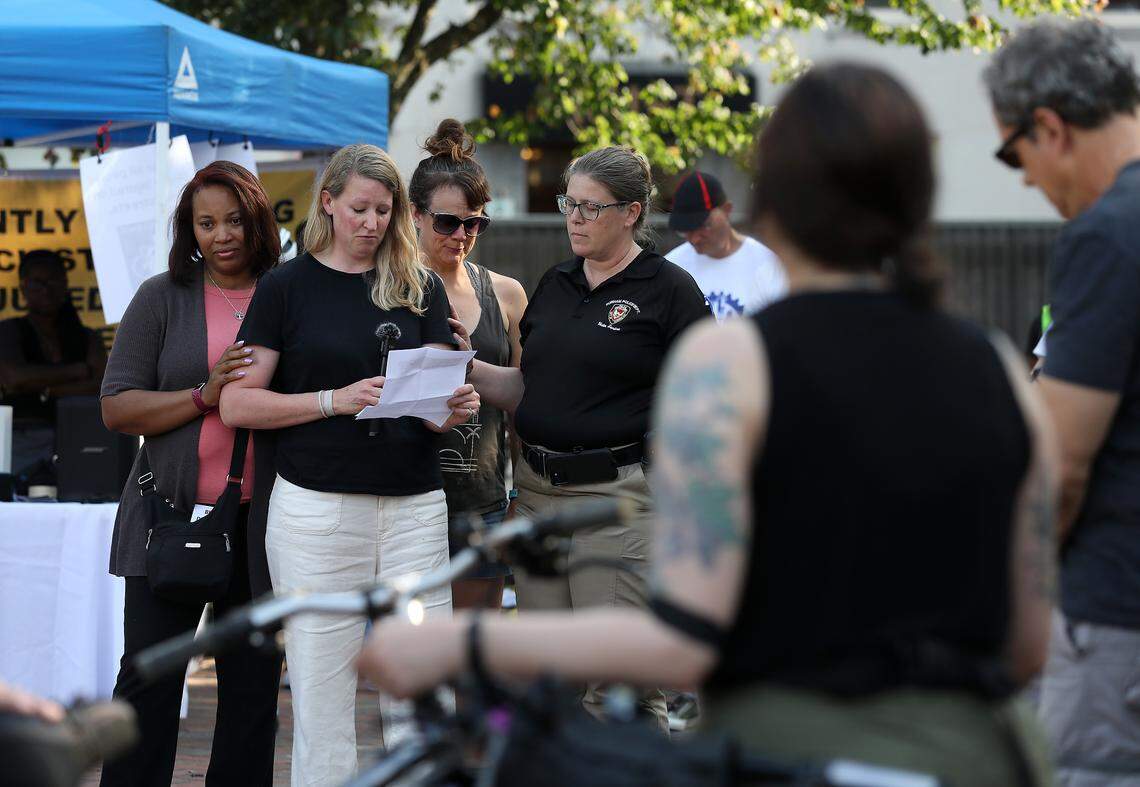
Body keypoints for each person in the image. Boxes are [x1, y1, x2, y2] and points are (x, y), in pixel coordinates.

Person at [359, 63, 1060, 786]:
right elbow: (1029, 643)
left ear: (771, 204)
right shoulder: (998, 366)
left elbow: (684, 638)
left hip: (789, 748)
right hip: (976, 754)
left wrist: (462, 643)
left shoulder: (732, 367)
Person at [218, 143, 479, 786]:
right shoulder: (287, 286)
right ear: (327, 203)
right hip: (317, 510)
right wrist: (330, 401)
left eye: (385, 212)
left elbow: (436, 399)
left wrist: (454, 407)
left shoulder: (418, 284)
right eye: (359, 208)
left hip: (415, 505)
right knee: (321, 688)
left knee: (422, 690)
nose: (372, 223)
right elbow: (236, 403)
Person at [446, 145, 710, 727]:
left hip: (616, 501)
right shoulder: (557, 281)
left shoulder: (669, 289)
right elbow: (529, 391)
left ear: (633, 212)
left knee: (618, 692)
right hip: (540, 496)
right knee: (550, 687)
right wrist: (464, 366)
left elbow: (706, 401)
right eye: (571, 204)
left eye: (592, 208)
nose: (575, 218)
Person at [985, 20, 1140, 784]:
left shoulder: (1107, 235)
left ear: (1049, 127)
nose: (1024, 180)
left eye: (1016, 156)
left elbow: (1066, 466)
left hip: (1116, 616)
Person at [98, 161, 283, 786]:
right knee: (149, 677)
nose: (222, 235)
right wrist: (203, 396)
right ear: (189, 229)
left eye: (234, 219)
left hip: (262, 524)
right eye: (206, 223)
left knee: (253, 689)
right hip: (169, 515)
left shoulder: (287, 292)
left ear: (257, 219)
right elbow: (117, 406)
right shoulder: (161, 296)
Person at [408, 119, 528, 611]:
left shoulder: (505, 294)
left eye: (476, 223)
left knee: (474, 661)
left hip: (481, 500)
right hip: (403, 501)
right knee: (409, 669)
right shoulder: (383, 290)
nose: (463, 234)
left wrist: (521, 491)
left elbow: (523, 403)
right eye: (448, 222)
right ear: (414, 214)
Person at [0, 250, 106, 480]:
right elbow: (14, 378)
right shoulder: (9, 330)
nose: (46, 289)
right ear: (23, 286)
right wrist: (78, 371)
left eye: (53, 281)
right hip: (22, 437)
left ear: (65, 284)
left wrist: (48, 389)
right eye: (37, 282)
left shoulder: (87, 336)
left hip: (80, 437)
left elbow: (103, 387)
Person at [665, 170, 785, 320]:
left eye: (704, 225)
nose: (695, 239)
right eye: (686, 231)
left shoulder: (768, 265)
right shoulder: (671, 267)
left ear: (727, 210)